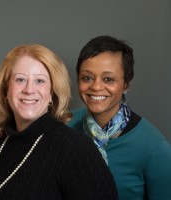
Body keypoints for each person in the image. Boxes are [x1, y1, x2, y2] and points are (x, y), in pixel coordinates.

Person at [0, 44, 118, 200]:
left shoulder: (75, 148)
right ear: (6, 90)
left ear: (52, 93)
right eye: (20, 79)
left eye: (39, 81)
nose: (29, 89)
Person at [67, 35, 171, 200]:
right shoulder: (65, 126)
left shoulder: (155, 149)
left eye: (108, 79)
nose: (96, 87)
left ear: (126, 84)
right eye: (87, 77)